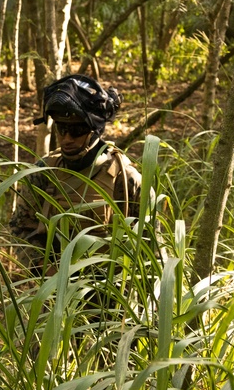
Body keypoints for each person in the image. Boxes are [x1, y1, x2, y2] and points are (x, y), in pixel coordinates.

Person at [10, 74, 142, 277]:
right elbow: (21, 227)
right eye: (61, 129)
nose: (67, 138)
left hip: (111, 293)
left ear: (95, 130)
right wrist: (43, 267)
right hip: (54, 289)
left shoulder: (124, 177)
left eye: (77, 130)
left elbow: (150, 243)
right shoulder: (44, 172)